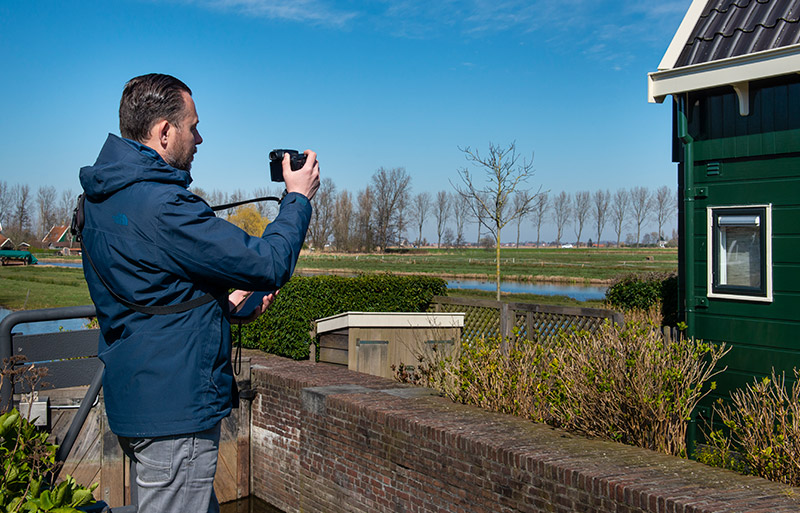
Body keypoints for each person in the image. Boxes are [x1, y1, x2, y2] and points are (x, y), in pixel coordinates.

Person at [78, 73, 320, 513]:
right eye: (193, 126)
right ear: (165, 132)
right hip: (177, 411)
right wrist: (297, 198)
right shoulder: (163, 205)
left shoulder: (100, 198)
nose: (200, 138)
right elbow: (269, 263)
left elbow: (147, 294)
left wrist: (221, 305)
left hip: (140, 397)